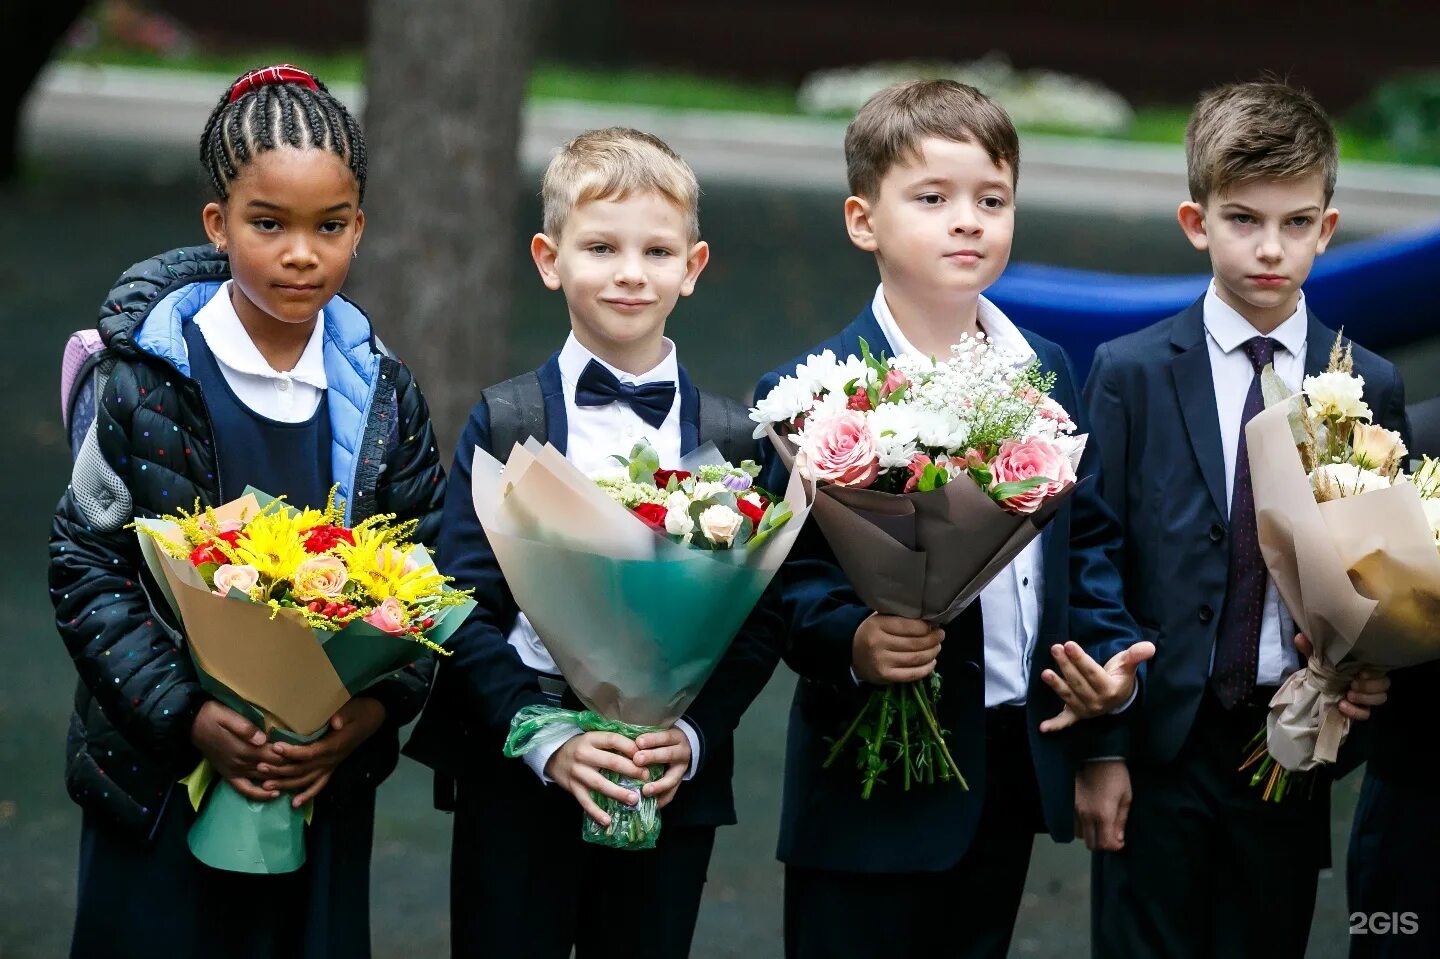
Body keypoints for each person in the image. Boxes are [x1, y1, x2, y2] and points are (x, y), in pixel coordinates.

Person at [48, 63, 445, 959]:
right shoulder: (142, 379)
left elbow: (426, 574)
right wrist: (187, 715)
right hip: (154, 787)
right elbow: (86, 567)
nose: (301, 251)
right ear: (217, 226)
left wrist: (367, 718)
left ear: (359, 229)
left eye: (329, 226)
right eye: (268, 223)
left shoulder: (385, 395)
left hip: (315, 792)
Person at [753, 79, 1152, 959]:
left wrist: (1108, 697)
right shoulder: (812, 390)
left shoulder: (1042, 369)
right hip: (863, 792)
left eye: (991, 199)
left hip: (1009, 766)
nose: (967, 220)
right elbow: (778, 582)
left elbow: (1079, 545)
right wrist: (853, 640)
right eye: (932, 199)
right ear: (864, 220)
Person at [404, 127, 784, 959]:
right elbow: (457, 597)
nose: (629, 271)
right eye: (602, 246)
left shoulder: (734, 439)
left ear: (693, 266)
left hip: (666, 775)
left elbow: (760, 621)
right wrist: (546, 736)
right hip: (519, 776)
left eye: (656, 250)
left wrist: (688, 737)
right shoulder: (506, 420)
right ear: (549, 258)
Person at [1084, 78, 1403, 959]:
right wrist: (1102, 748)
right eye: (1243, 220)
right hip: (1159, 742)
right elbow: (1093, 551)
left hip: (1290, 741)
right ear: (1197, 222)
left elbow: (1391, 563)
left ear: (1327, 229)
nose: (1271, 247)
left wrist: (1370, 662)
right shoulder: (1130, 371)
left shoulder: (1369, 382)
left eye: (1296, 223)